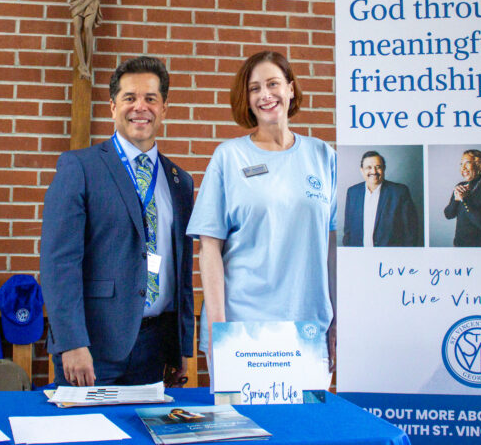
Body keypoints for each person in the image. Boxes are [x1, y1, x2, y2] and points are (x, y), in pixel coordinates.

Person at [40, 56, 194, 386]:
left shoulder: (180, 181)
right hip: (92, 347)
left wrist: (181, 346)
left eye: (151, 98)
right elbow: (59, 263)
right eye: (130, 98)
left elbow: (181, 271)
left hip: (155, 348)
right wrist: (72, 342)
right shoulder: (79, 167)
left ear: (164, 107)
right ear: (112, 107)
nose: (141, 107)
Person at [186, 51, 336, 382]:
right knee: (244, 431)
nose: (265, 95)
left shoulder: (323, 157)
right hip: (243, 331)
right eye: (255, 88)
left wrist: (336, 318)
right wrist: (219, 329)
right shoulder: (229, 157)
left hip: (307, 329)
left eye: (273, 84)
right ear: (247, 99)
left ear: (291, 89)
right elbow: (209, 248)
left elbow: (333, 246)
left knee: (305, 432)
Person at [343, 151, 421, 247]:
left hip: (390, 258)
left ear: (384, 169)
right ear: (362, 170)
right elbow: (348, 231)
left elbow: (411, 232)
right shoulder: (352, 192)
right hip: (359, 257)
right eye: (369, 167)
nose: (374, 172)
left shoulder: (400, 192)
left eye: (378, 167)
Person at [444, 149, 481, 247]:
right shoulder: (460, 186)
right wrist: (456, 200)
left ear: (479, 165)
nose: (463, 168)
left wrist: (465, 199)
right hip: (460, 245)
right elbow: (448, 215)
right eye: (461, 164)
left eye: (467, 163)